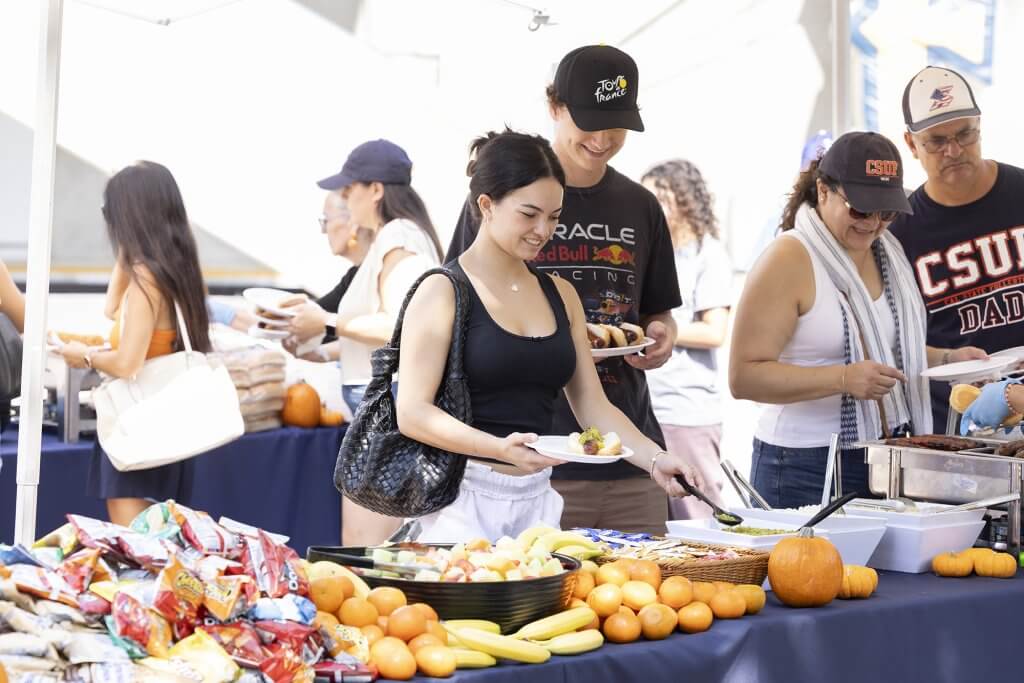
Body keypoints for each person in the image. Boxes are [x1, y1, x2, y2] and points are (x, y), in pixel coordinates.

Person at [398, 129, 703, 541]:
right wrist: (498, 447)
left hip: (538, 501)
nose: (543, 230)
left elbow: (593, 405)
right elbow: (412, 413)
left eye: (555, 216)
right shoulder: (442, 290)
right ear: (486, 205)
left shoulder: (561, 294)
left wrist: (656, 459)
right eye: (529, 214)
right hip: (458, 501)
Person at [444, 46, 682, 535]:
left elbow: (657, 313)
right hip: (522, 459)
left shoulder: (640, 205)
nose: (601, 139)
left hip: (624, 444)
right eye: (588, 121)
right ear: (554, 107)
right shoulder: (499, 204)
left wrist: (661, 337)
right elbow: (456, 323)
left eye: (615, 124)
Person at [729, 132, 985, 509]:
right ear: (823, 191)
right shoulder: (788, 258)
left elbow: (886, 348)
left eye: (887, 213)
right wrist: (844, 379)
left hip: (882, 458)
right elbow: (743, 377)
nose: (873, 224)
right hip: (803, 463)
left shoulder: (887, 253)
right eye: (861, 210)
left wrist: (947, 359)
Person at [299, 139, 442, 545]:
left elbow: (399, 325)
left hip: (385, 413)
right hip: (381, 409)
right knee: (368, 548)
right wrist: (321, 350)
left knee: (368, 552)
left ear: (375, 190)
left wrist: (324, 319)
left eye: (350, 191)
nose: (347, 201)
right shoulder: (394, 238)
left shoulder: (400, 238)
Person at [59, 161, 211, 526]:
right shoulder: (176, 271)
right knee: (158, 543)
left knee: (138, 548)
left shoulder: (147, 278)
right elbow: (112, 308)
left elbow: (127, 362)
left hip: (137, 426)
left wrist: (86, 356)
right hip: (167, 422)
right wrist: (130, 247)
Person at [888, 66, 1019, 433]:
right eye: (936, 140)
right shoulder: (898, 232)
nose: (954, 150)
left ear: (980, 125)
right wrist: (946, 358)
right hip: (954, 422)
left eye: (965, 134)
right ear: (911, 144)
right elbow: (896, 341)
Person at [641, 160, 731, 520]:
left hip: (687, 408)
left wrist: (662, 329)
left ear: (683, 200)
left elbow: (715, 331)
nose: (649, 206)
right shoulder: (647, 251)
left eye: (657, 197)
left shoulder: (708, 254)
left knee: (697, 511)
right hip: (646, 408)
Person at [282, 190, 375, 357]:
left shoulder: (377, 271)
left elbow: (391, 331)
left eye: (326, 220)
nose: (323, 231)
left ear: (352, 221)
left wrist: (325, 322)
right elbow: (317, 316)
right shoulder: (355, 276)